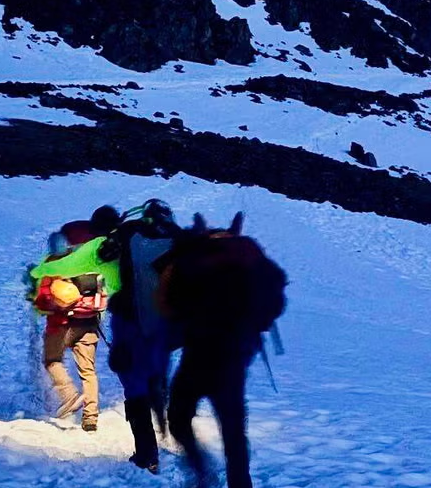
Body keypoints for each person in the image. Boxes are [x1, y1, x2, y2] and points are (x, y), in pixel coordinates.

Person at [158, 213, 287, 488]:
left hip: (198, 353)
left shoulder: (194, 257)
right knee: (233, 430)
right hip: (236, 354)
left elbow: (169, 306)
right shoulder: (249, 256)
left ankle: (201, 472)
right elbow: (276, 300)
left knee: (179, 417)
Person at [27, 206, 122, 432]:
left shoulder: (60, 263)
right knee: (88, 371)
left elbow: (42, 298)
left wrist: (35, 278)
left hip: (61, 324)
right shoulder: (97, 260)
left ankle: (69, 396)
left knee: (52, 361)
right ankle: (91, 417)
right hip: (90, 321)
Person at [106, 199, 181, 475]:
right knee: (155, 375)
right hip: (163, 326)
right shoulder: (179, 240)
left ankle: (147, 453)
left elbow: (96, 256)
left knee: (134, 387)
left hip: (129, 323)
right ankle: (166, 422)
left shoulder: (127, 235)